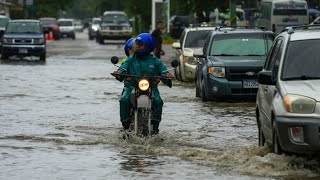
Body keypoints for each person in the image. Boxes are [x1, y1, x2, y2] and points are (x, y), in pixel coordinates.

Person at [113, 33, 173, 134]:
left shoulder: (155, 61)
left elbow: (163, 71)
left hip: (151, 88)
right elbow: (124, 67)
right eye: (137, 45)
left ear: (148, 46)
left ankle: (155, 126)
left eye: (140, 45)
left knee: (158, 101)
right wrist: (119, 72)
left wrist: (167, 75)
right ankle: (125, 124)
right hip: (132, 86)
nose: (137, 47)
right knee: (124, 100)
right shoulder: (131, 59)